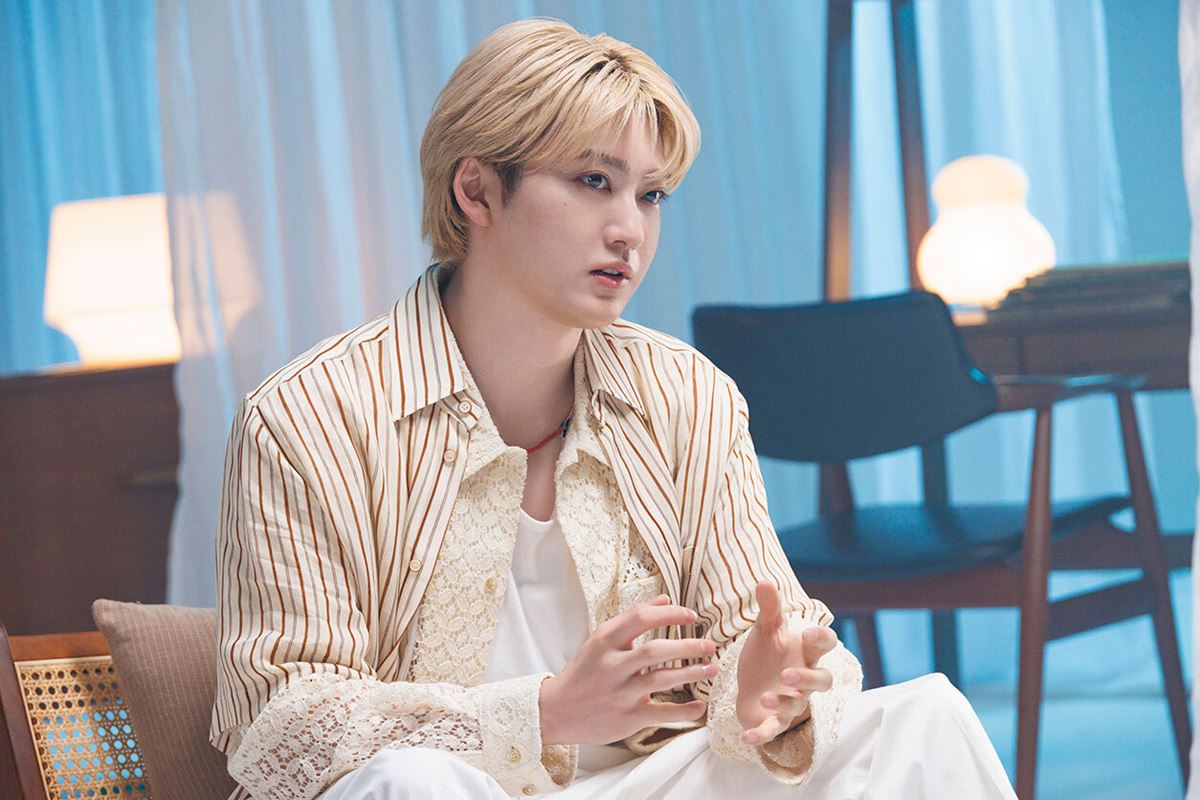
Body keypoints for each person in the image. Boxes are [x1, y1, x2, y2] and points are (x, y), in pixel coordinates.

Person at [209, 18, 1017, 800]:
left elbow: (771, 634)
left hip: (647, 780)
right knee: (409, 783)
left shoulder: (687, 394)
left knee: (924, 719)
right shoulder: (306, 417)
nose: (630, 229)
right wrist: (545, 713)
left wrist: (769, 689)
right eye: (593, 181)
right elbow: (278, 725)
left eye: (651, 194)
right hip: (448, 789)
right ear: (477, 191)